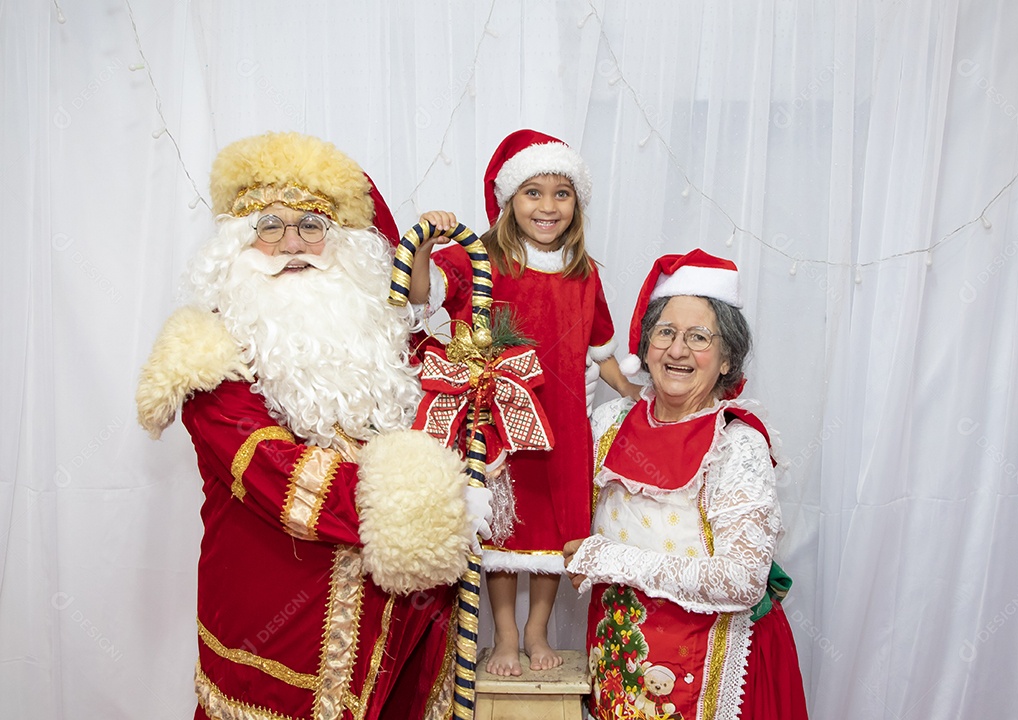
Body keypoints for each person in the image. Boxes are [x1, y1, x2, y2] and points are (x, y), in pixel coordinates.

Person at [135, 131, 491, 720]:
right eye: (269, 226)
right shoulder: (212, 357)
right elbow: (277, 475)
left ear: (345, 246)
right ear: (236, 246)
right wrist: (433, 505)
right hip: (279, 642)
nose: (291, 244)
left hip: (396, 638)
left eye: (311, 225)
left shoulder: (387, 348)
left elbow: (456, 403)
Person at [405, 129, 638, 676]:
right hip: (500, 418)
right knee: (505, 528)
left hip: (562, 421)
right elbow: (421, 296)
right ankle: (506, 633)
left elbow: (602, 352)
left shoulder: (585, 272)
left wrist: (633, 390)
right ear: (510, 200)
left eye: (562, 193)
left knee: (558, 529)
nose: (548, 205)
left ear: (576, 203)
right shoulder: (480, 259)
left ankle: (538, 629)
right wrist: (420, 243)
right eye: (533, 192)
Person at [563, 249, 808, 720]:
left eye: (698, 337)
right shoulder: (609, 423)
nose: (677, 350)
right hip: (620, 669)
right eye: (666, 333)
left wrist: (610, 558)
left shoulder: (737, 444)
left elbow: (742, 581)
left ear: (726, 359)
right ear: (646, 344)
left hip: (710, 678)